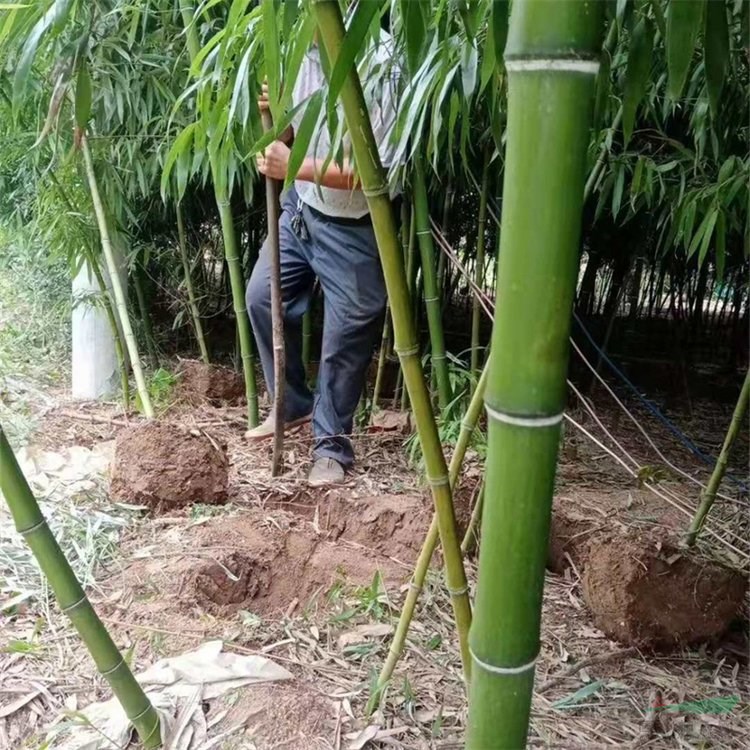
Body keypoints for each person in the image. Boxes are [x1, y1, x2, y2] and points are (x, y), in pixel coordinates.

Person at [245, 32, 400, 487]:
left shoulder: (382, 62)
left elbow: (378, 169)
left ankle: (331, 445)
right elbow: (291, 137)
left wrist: (292, 164)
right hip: (302, 207)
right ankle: (291, 403)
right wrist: (271, 118)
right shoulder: (295, 48)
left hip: (355, 223)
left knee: (347, 332)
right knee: (260, 297)